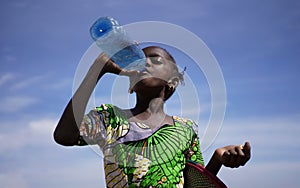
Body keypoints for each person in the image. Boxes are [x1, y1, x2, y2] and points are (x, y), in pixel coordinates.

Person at [54, 46, 251, 187]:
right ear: (131, 85)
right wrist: (96, 70)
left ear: (172, 81)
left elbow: (194, 185)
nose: (144, 63)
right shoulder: (110, 118)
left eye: (155, 60)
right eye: (139, 61)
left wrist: (217, 160)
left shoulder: (186, 129)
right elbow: (64, 136)